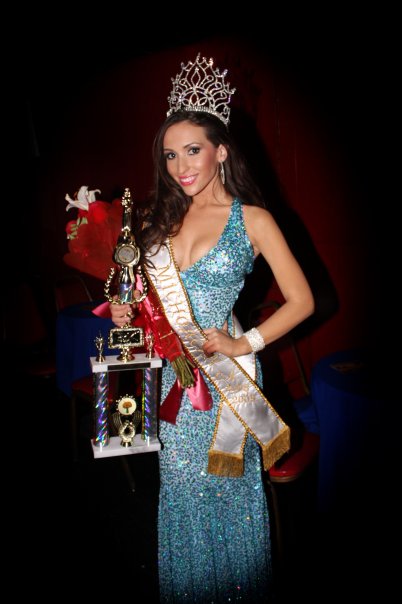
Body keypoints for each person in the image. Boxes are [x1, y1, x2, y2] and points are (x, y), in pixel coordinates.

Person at [110, 54, 314, 603]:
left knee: (227, 497)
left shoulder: (254, 220)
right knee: (179, 494)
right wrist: (130, 310)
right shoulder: (161, 217)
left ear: (221, 150)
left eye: (192, 150)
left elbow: (304, 301)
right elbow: (144, 293)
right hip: (174, 381)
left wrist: (246, 341)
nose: (181, 166)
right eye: (171, 155)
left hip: (223, 384)